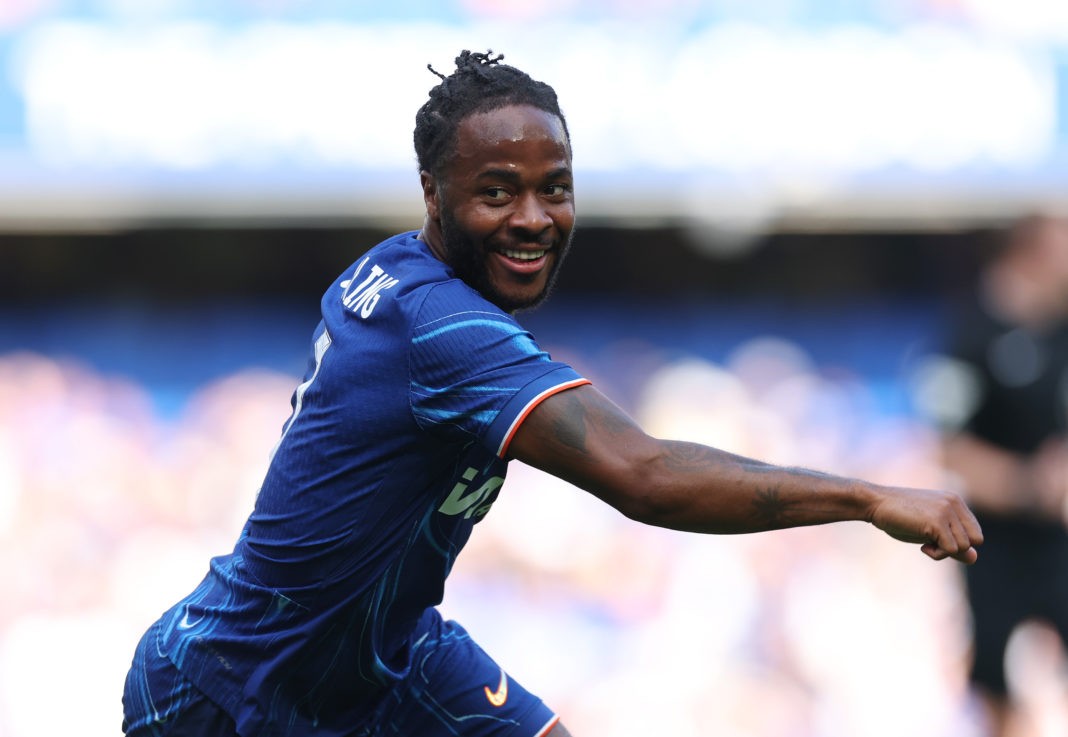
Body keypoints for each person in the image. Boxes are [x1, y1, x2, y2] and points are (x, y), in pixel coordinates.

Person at [121, 50, 982, 737]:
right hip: (239, 688)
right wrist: (867, 495)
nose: (534, 217)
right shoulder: (441, 327)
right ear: (434, 193)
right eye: (497, 191)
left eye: (554, 187)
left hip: (383, 653)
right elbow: (641, 473)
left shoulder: (394, 270)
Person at [939, 214, 1068, 737]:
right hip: (991, 541)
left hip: (1058, 540)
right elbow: (949, 447)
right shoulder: (970, 336)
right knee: (994, 675)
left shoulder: (1062, 332)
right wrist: (1031, 485)